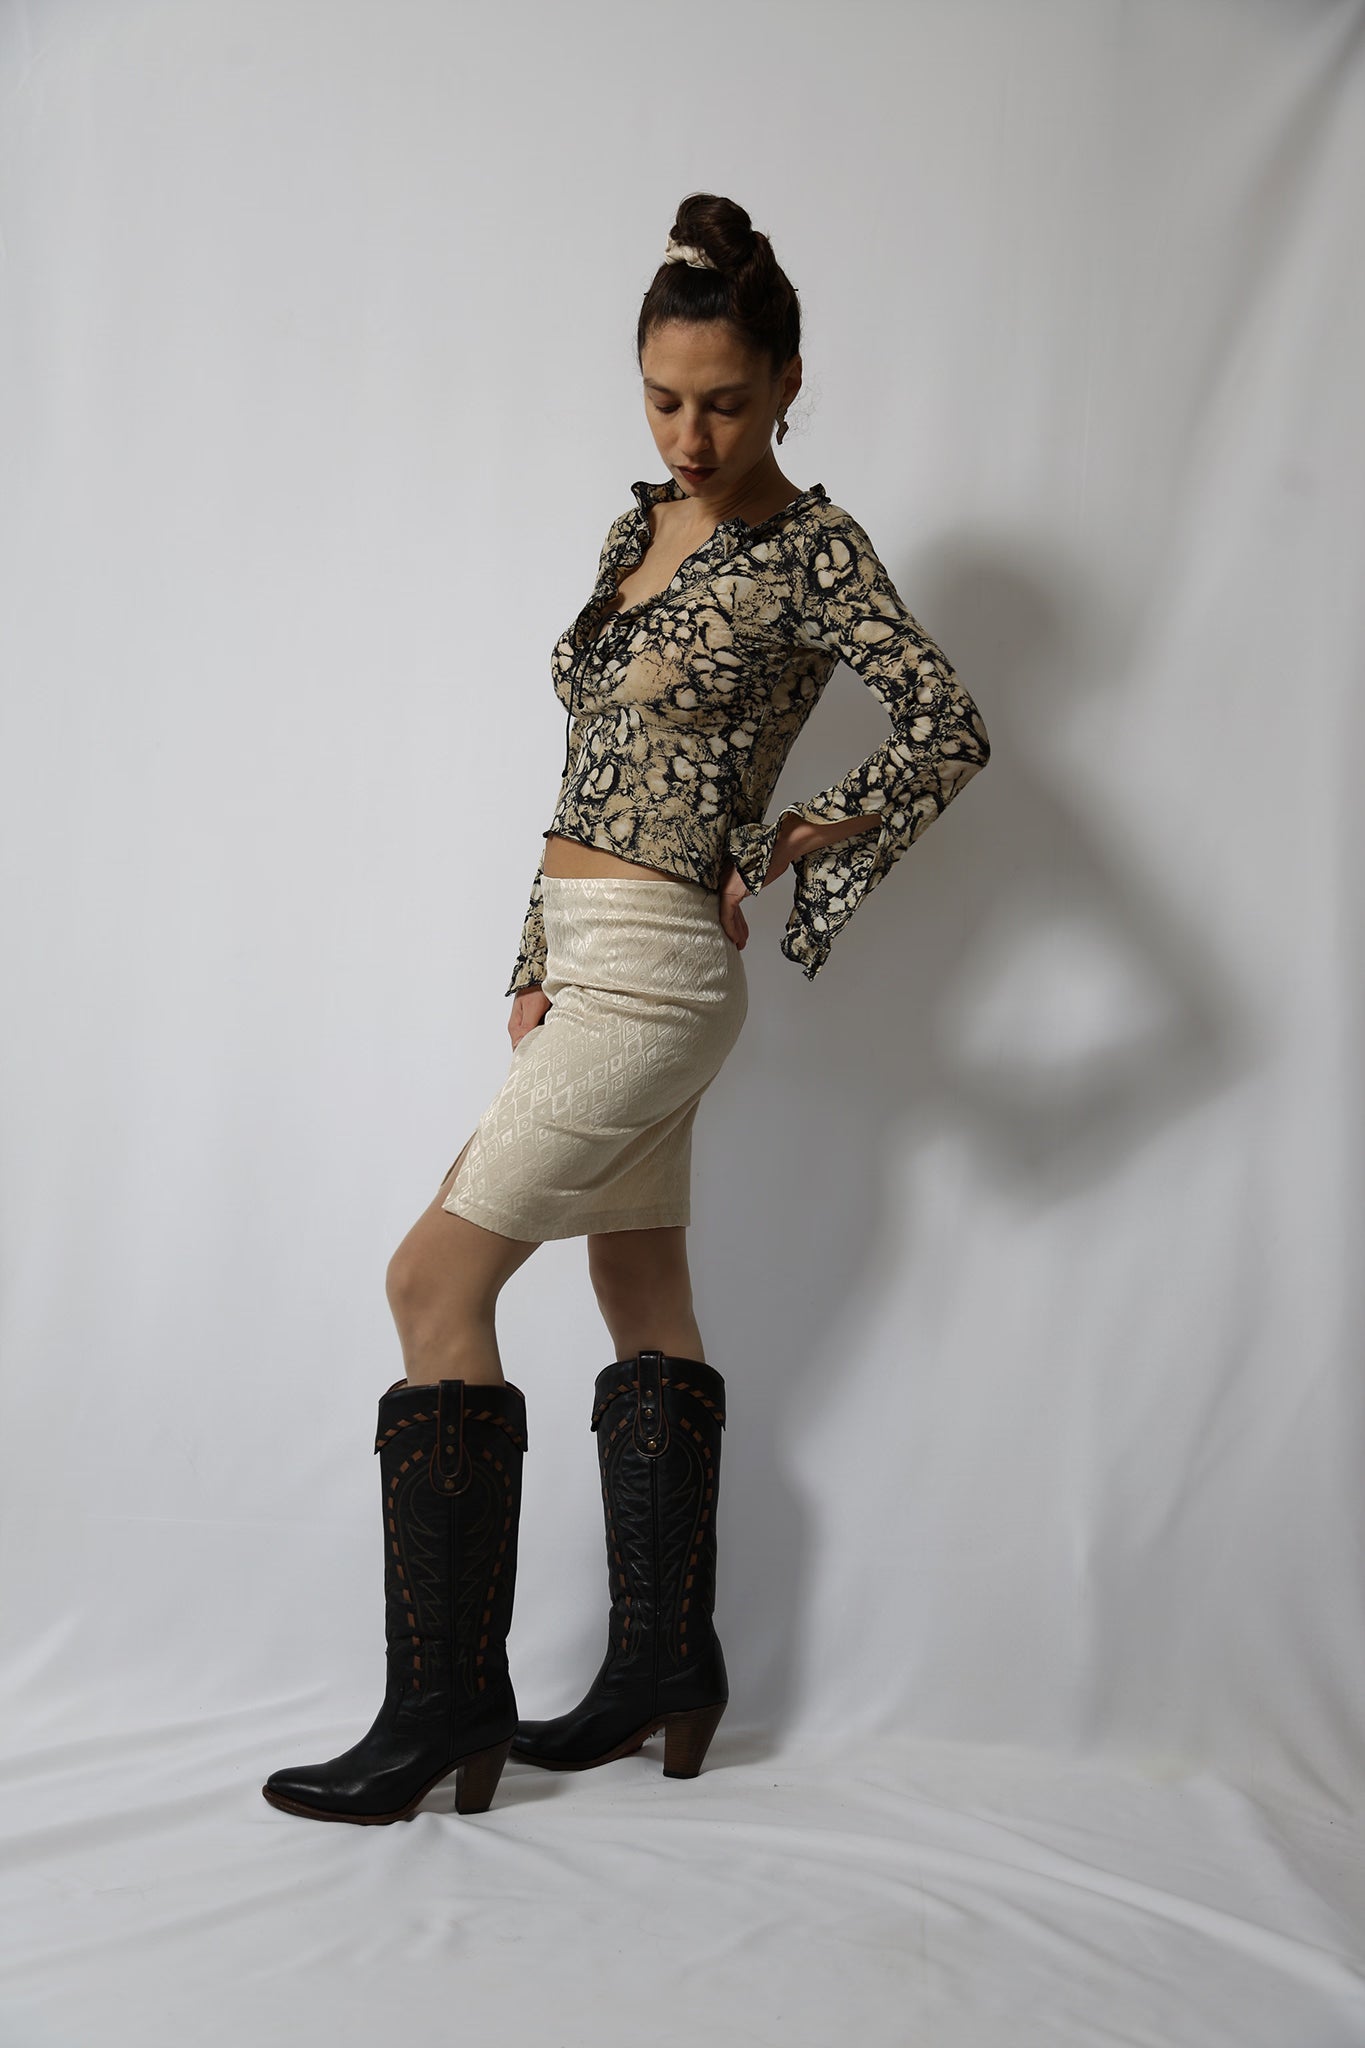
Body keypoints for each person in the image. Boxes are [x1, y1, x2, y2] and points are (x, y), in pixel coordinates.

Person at [261, 192, 992, 1826]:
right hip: (590, 953)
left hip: (662, 969)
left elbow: (945, 723)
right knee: (637, 1282)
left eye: (724, 402)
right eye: (662, 398)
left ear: (787, 381)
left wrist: (797, 834)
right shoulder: (632, 529)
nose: (690, 435)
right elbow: (585, 759)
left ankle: (442, 1703)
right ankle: (665, 1664)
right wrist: (533, 944)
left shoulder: (811, 552)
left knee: (429, 1279)